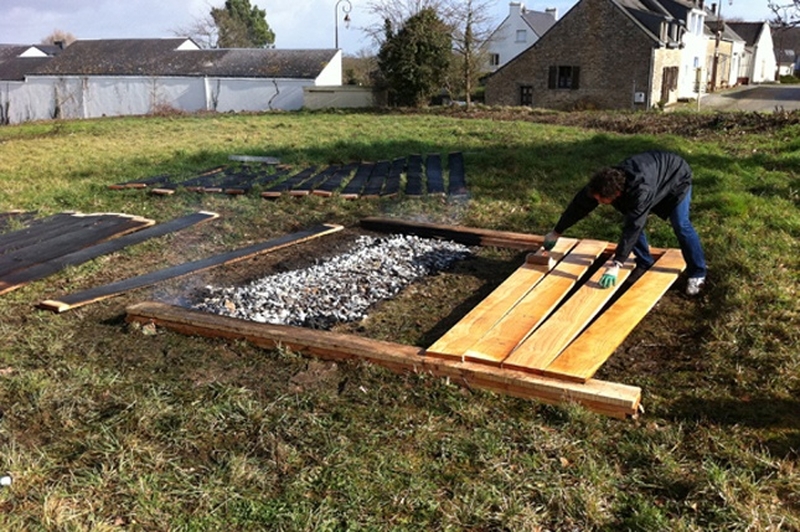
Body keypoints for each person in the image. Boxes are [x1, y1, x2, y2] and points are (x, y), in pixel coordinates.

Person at [543, 150, 707, 296]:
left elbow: (634, 226)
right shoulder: (602, 183)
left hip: (676, 178)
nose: (598, 202)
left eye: (602, 200)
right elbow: (578, 206)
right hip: (653, 177)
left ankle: (697, 273)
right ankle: (644, 261)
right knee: (631, 218)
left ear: (617, 193)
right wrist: (557, 231)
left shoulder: (640, 191)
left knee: (680, 224)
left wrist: (617, 263)